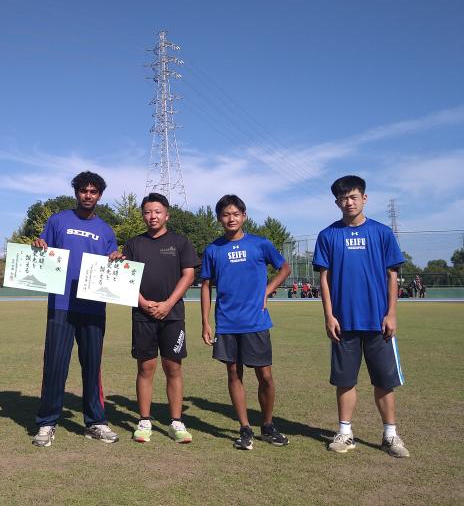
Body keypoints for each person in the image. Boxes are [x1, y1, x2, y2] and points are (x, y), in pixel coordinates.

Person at [313, 175, 410, 457]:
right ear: (336, 202)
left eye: (353, 196)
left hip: (379, 322)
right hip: (343, 323)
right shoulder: (328, 235)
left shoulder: (381, 232)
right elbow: (324, 279)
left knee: (384, 381)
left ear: (364, 198)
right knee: (345, 380)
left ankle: (390, 436)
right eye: (343, 198)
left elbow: (392, 276)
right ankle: (345, 433)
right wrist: (329, 316)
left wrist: (391, 314)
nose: (349, 202)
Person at [31, 171, 120, 447]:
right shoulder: (58, 221)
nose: (88, 195)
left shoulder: (106, 230)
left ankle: (96, 422)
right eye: (83, 190)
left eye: (93, 191)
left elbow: (112, 264)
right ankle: (47, 422)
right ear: (76, 193)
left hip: (93, 307)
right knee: (55, 364)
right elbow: (44, 250)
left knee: (92, 367)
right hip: (61, 305)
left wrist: (117, 258)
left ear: (100, 195)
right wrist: (40, 245)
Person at [200, 195, 292, 450]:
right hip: (227, 323)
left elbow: (284, 268)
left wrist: (267, 290)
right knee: (233, 373)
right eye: (225, 214)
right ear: (219, 218)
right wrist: (205, 322)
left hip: (256, 322)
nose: (231, 219)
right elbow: (206, 285)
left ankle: (268, 425)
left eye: (235, 214)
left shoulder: (260, 244)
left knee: (265, 376)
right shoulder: (213, 249)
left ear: (244, 216)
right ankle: (245, 428)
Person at [121, 193, 197, 444]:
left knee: (173, 367)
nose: (152, 216)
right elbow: (125, 277)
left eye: (157, 211)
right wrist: (143, 303)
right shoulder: (133, 244)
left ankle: (176, 422)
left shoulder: (180, 242)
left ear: (167, 215)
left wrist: (167, 304)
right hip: (142, 315)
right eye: (147, 212)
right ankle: (144, 421)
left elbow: (188, 275)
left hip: (172, 315)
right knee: (145, 368)